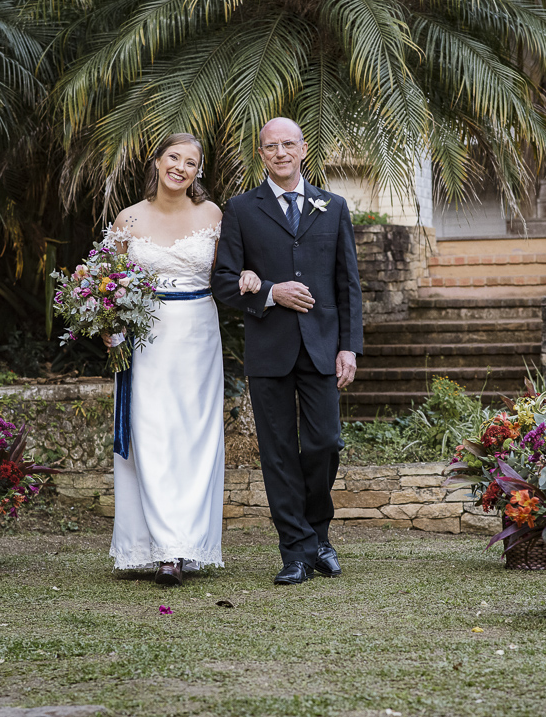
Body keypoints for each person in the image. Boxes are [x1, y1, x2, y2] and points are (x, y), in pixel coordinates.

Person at [211, 117, 363, 586]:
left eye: (288, 144)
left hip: (322, 348)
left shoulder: (333, 207)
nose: (280, 152)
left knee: (325, 444)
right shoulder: (240, 209)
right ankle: (295, 551)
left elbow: (348, 285)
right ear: (261, 155)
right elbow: (222, 283)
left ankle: (317, 534)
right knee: (277, 453)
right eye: (270, 146)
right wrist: (270, 292)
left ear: (302, 150)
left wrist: (349, 348)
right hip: (269, 348)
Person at [107, 132, 228, 586]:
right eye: (173, 157)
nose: (180, 167)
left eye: (191, 162)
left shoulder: (212, 215)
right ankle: (159, 549)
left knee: (194, 436)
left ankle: (184, 545)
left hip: (199, 333)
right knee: (151, 435)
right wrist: (108, 328)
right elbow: (107, 284)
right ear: (157, 162)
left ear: (198, 172)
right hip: (146, 339)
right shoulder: (128, 218)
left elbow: (229, 274)